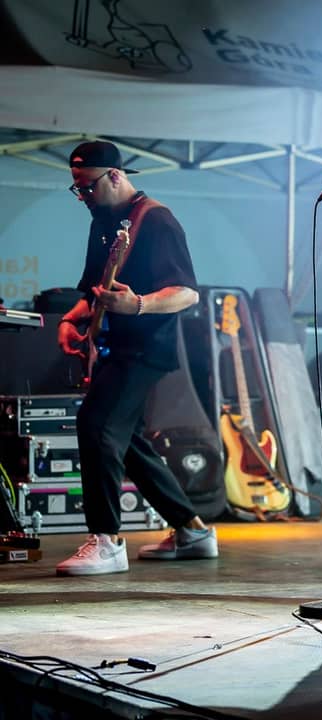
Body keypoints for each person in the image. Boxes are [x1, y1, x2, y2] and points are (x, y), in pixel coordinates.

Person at [56, 141, 218, 576]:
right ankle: (193, 531)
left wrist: (139, 304)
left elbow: (186, 292)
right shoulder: (102, 220)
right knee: (126, 440)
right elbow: (95, 290)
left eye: (87, 186)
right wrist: (71, 319)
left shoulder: (156, 220)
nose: (82, 196)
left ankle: (106, 540)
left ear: (114, 176)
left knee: (96, 424)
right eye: (76, 189)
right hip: (116, 346)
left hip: (146, 349)